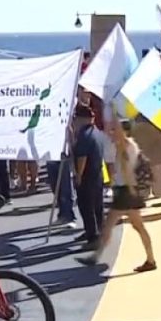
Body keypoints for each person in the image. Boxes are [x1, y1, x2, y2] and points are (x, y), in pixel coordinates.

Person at [78, 120, 157, 273]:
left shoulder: (127, 146)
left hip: (126, 191)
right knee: (137, 225)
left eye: (117, 130)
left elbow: (127, 171)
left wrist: (127, 188)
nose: (113, 133)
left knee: (110, 224)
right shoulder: (125, 146)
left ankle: (96, 256)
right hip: (127, 190)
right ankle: (150, 259)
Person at [72, 104, 107, 247]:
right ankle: (98, 232)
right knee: (97, 206)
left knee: (87, 207)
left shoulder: (84, 135)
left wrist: (78, 175)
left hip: (87, 176)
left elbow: (82, 157)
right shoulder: (97, 132)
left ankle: (93, 238)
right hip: (97, 174)